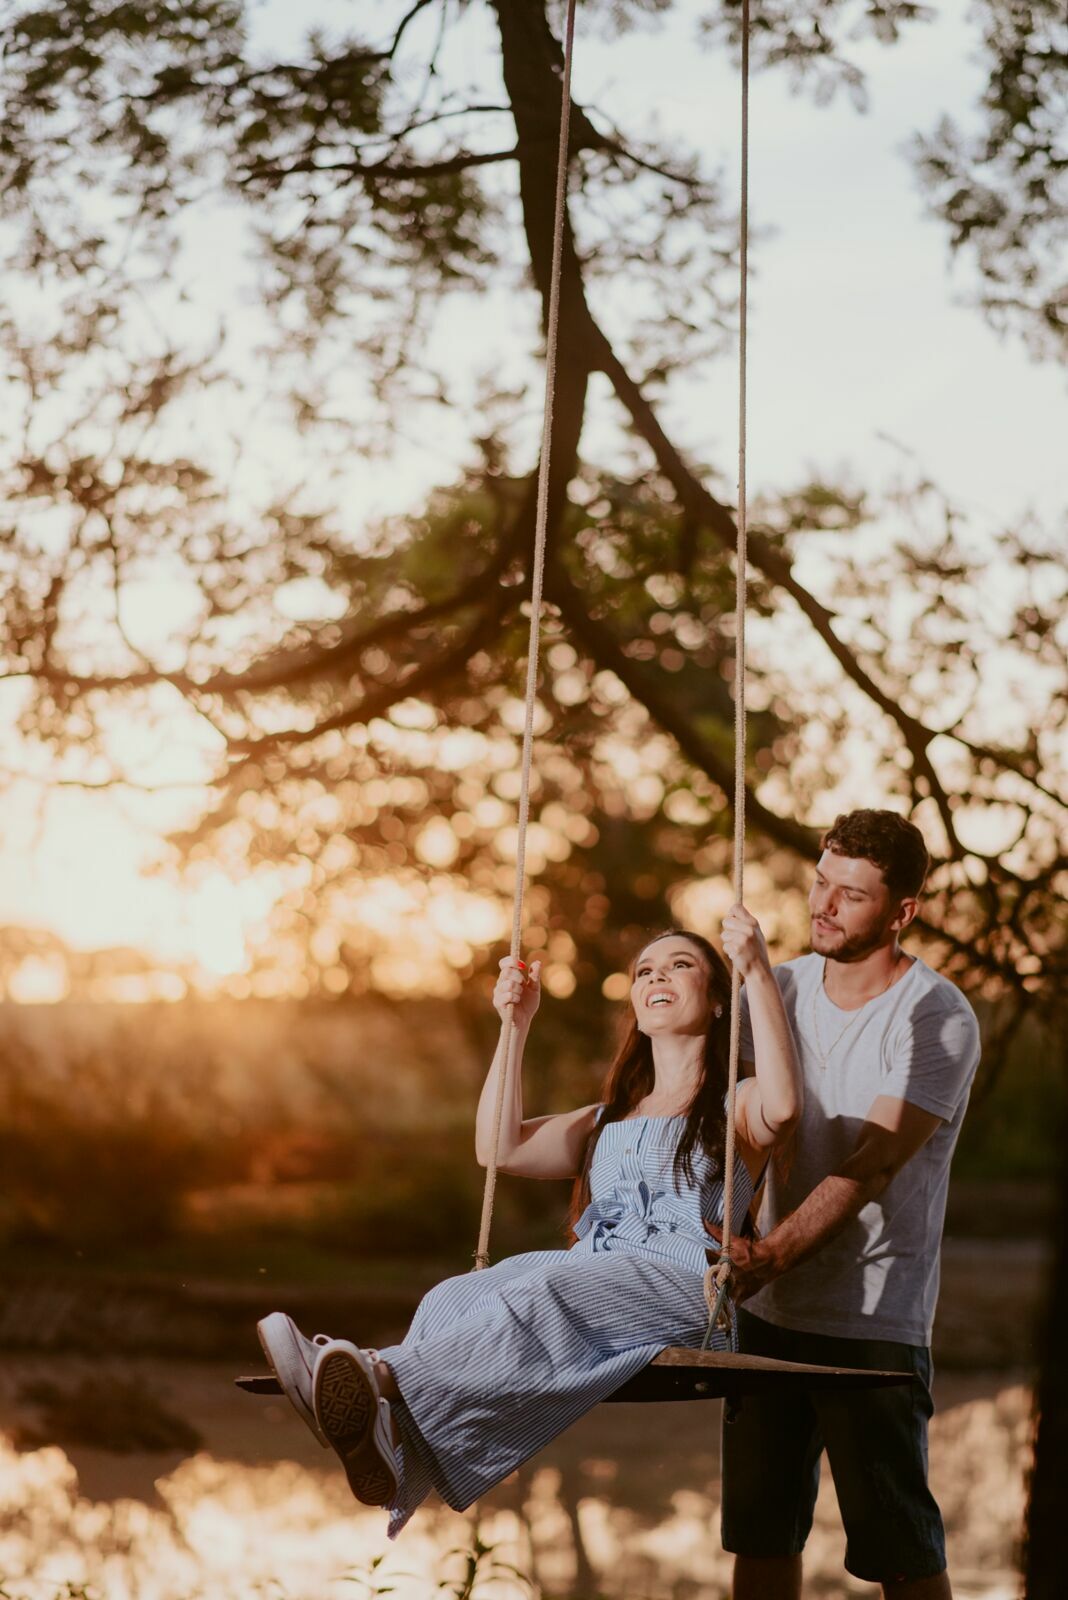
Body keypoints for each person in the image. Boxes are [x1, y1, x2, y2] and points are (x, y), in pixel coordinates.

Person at [258, 908, 801, 1537]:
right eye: (645, 970)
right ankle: (391, 1441)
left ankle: (376, 1376)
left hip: (687, 1293)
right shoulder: (606, 1120)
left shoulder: (735, 1105)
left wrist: (757, 970)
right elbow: (499, 1146)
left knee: (548, 1289)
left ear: (717, 1001)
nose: (658, 976)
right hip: (597, 1275)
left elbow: (785, 1107)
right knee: (456, 1295)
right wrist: (514, 1027)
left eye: (681, 966)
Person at [712, 810, 981, 1600]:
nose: (823, 905)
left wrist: (771, 1255)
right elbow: (724, 1119)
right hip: (764, 1317)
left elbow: (874, 1162)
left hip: (873, 1326)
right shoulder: (779, 986)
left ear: (902, 912)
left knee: (901, 1555)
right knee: (760, 1539)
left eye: (851, 895)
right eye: (821, 882)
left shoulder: (937, 1016)